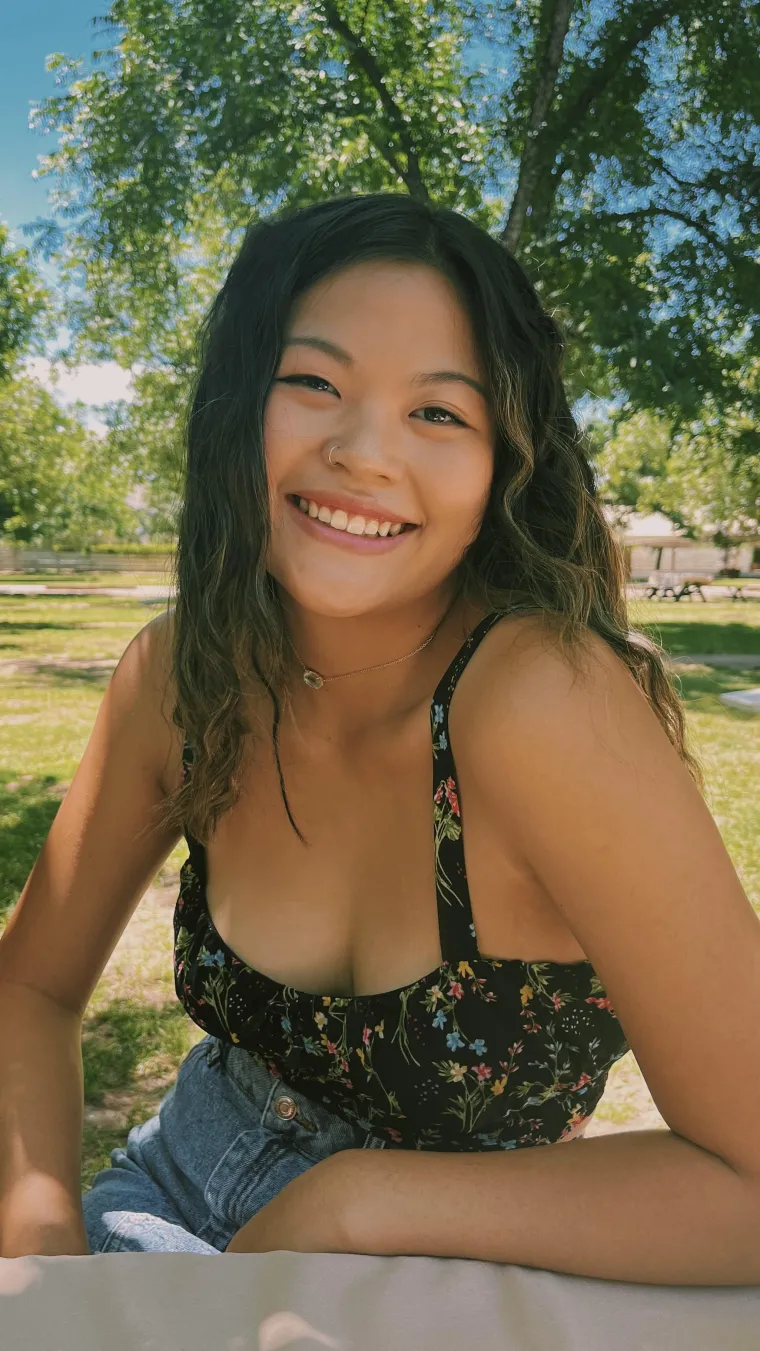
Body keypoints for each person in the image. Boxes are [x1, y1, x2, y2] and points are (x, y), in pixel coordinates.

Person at [2, 194, 759, 1284]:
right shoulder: (182, 674)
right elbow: (28, 989)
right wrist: (40, 1265)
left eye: (439, 413)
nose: (361, 451)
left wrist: (354, 1202)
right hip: (160, 1208)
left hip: (450, 1270)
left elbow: (745, 1179)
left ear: (504, 459)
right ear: (237, 403)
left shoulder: (540, 700)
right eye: (313, 382)